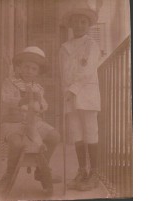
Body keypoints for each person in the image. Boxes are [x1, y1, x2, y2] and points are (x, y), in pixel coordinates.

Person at [0, 46, 60, 196]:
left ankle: (41, 169)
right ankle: (9, 173)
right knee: (17, 143)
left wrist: (40, 103)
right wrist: (21, 101)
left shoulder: (37, 88)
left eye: (33, 69)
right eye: (25, 67)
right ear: (18, 67)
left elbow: (44, 105)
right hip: (13, 122)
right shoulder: (9, 83)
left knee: (54, 136)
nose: (28, 71)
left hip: (33, 122)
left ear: (37, 72)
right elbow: (5, 100)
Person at [59, 6, 101, 191]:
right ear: (70, 25)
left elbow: (88, 69)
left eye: (83, 22)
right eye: (76, 21)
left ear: (89, 25)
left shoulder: (91, 44)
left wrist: (73, 89)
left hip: (87, 95)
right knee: (76, 134)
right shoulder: (64, 48)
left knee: (90, 132)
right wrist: (66, 93)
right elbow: (63, 74)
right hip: (70, 97)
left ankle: (94, 174)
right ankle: (82, 171)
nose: (79, 25)